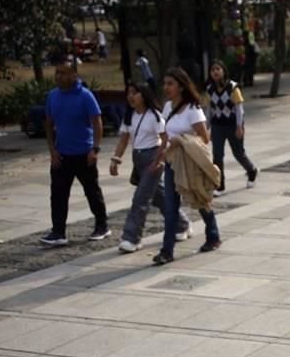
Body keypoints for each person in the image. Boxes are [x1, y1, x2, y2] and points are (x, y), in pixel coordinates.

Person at [108, 82, 191, 253]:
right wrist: (116, 159)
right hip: (138, 159)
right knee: (159, 197)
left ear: (144, 95)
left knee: (140, 199)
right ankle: (182, 224)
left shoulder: (154, 115)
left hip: (153, 157)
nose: (131, 96)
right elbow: (123, 139)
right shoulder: (129, 116)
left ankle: (131, 238)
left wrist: (159, 159)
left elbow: (165, 138)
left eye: (135, 93)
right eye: (129, 93)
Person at [153, 68, 220, 265]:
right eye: (165, 84)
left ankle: (213, 235)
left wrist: (181, 140)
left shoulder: (193, 109)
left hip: (190, 162)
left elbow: (204, 138)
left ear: (181, 86)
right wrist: (161, 154)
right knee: (171, 206)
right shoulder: (167, 107)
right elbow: (165, 135)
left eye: (170, 84)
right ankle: (167, 250)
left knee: (198, 198)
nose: (166, 88)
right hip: (172, 162)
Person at [41, 58, 109, 246]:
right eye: (57, 72)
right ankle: (58, 231)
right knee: (58, 194)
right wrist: (52, 150)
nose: (59, 76)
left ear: (74, 75)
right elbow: (48, 123)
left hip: (83, 153)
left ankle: (102, 225)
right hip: (62, 155)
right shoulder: (53, 96)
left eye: (63, 73)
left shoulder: (85, 96)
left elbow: (97, 122)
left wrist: (95, 148)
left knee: (92, 191)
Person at [206, 60, 258, 195]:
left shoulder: (232, 87)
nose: (215, 72)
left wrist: (239, 126)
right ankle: (219, 185)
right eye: (213, 70)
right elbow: (209, 109)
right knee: (217, 155)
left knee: (238, 153)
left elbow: (239, 109)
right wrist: (208, 126)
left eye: (218, 69)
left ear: (223, 71)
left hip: (233, 125)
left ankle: (251, 170)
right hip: (217, 125)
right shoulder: (209, 89)